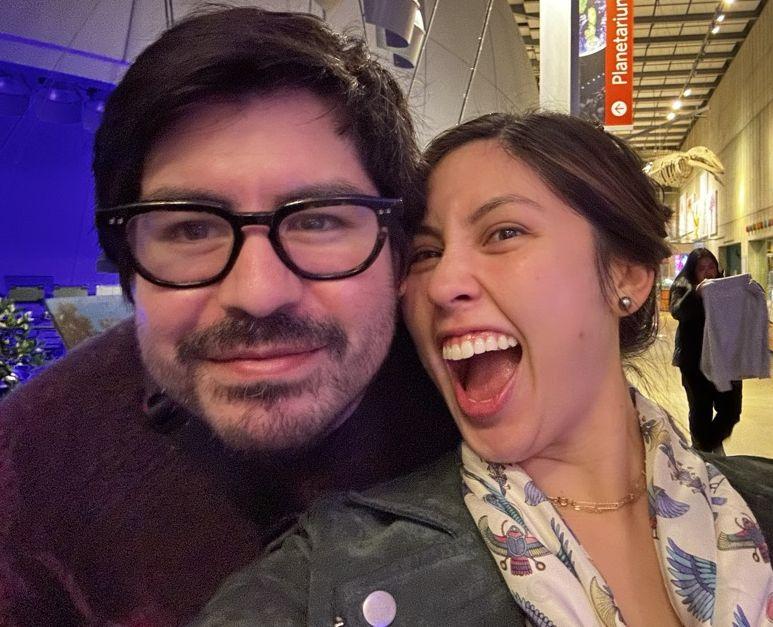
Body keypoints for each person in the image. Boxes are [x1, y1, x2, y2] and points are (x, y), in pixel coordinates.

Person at [195, 113, 773, 626]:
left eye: (503, 233)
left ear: (627, 275)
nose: (442, 284)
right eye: (426, 253)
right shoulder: (332, 568)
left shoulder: (757, 500)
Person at [0, 7, 459, 625]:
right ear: (127, 262)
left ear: (399, 250)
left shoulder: (485, 403)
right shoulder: (29, 471)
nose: (259, 294)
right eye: (192, 229)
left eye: (318, 220)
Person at [669, 248, 742, 453]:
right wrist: (697, 294)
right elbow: (677, 311)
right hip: (695, 361)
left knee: (731, 410)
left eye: (711, 266)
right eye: (701, 268)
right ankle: (706, 451)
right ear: (693, 271)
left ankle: (705, 447)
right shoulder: (683, 286)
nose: (708, 272)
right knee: (700, 410)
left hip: (725, 359)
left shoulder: (726, 286)